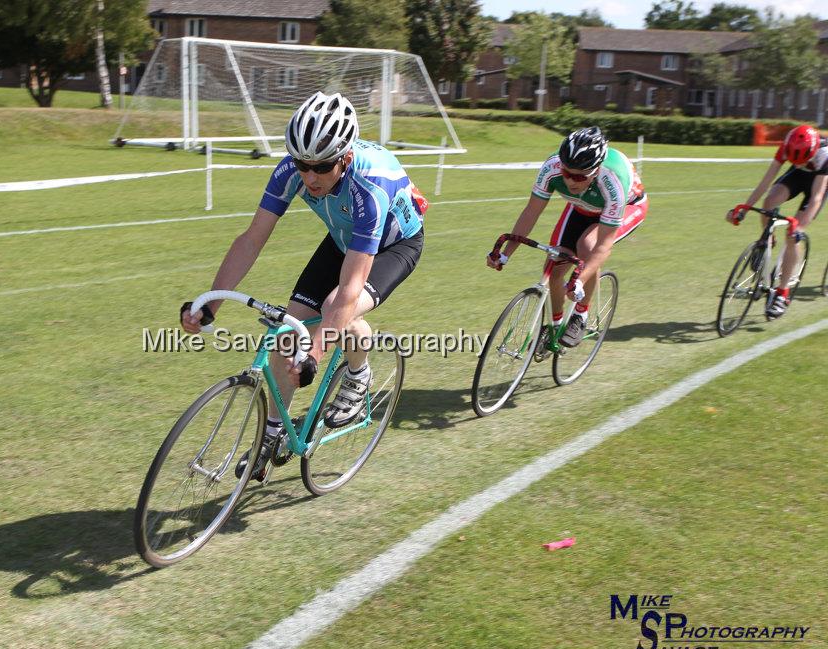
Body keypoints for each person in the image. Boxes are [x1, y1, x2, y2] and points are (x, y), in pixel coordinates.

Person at [180, 91, 426, 480]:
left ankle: (359, 375)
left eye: (322, 166)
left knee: (336, 308)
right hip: (344, 237)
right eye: (302, 164)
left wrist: (315, 352)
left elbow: (350, 287)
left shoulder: (370, 189)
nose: (309, 176)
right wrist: (210, 303)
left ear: (344, 158)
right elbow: (252, 238)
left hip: (394, 245)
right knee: (285, 335)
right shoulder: (290, 172)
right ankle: (272, 434)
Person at [486, 126, 647, 347]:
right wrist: (505, 254)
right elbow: (531, 212)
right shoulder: (552, 166)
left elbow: (603, 246)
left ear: (596, 170)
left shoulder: (612, 182)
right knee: (554, 267)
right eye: (566, 173)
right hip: (582, 208)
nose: (571, 182)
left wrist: (579, 281)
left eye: (579, 177)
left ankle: (581, 316)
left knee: (587, 246)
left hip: (627, 207)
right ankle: (554, 327)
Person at [727, 124, 827, 319]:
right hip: (799, 176)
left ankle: (782, 294)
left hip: (820, 183)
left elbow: (816, 198)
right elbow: (765, 182)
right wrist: (745, 208)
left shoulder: (824, 155)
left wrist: (798, 227)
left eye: (802, 159)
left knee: (792, 236)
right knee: (769, 202)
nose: (797, 162)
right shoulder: (786, 147)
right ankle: (766, 242)